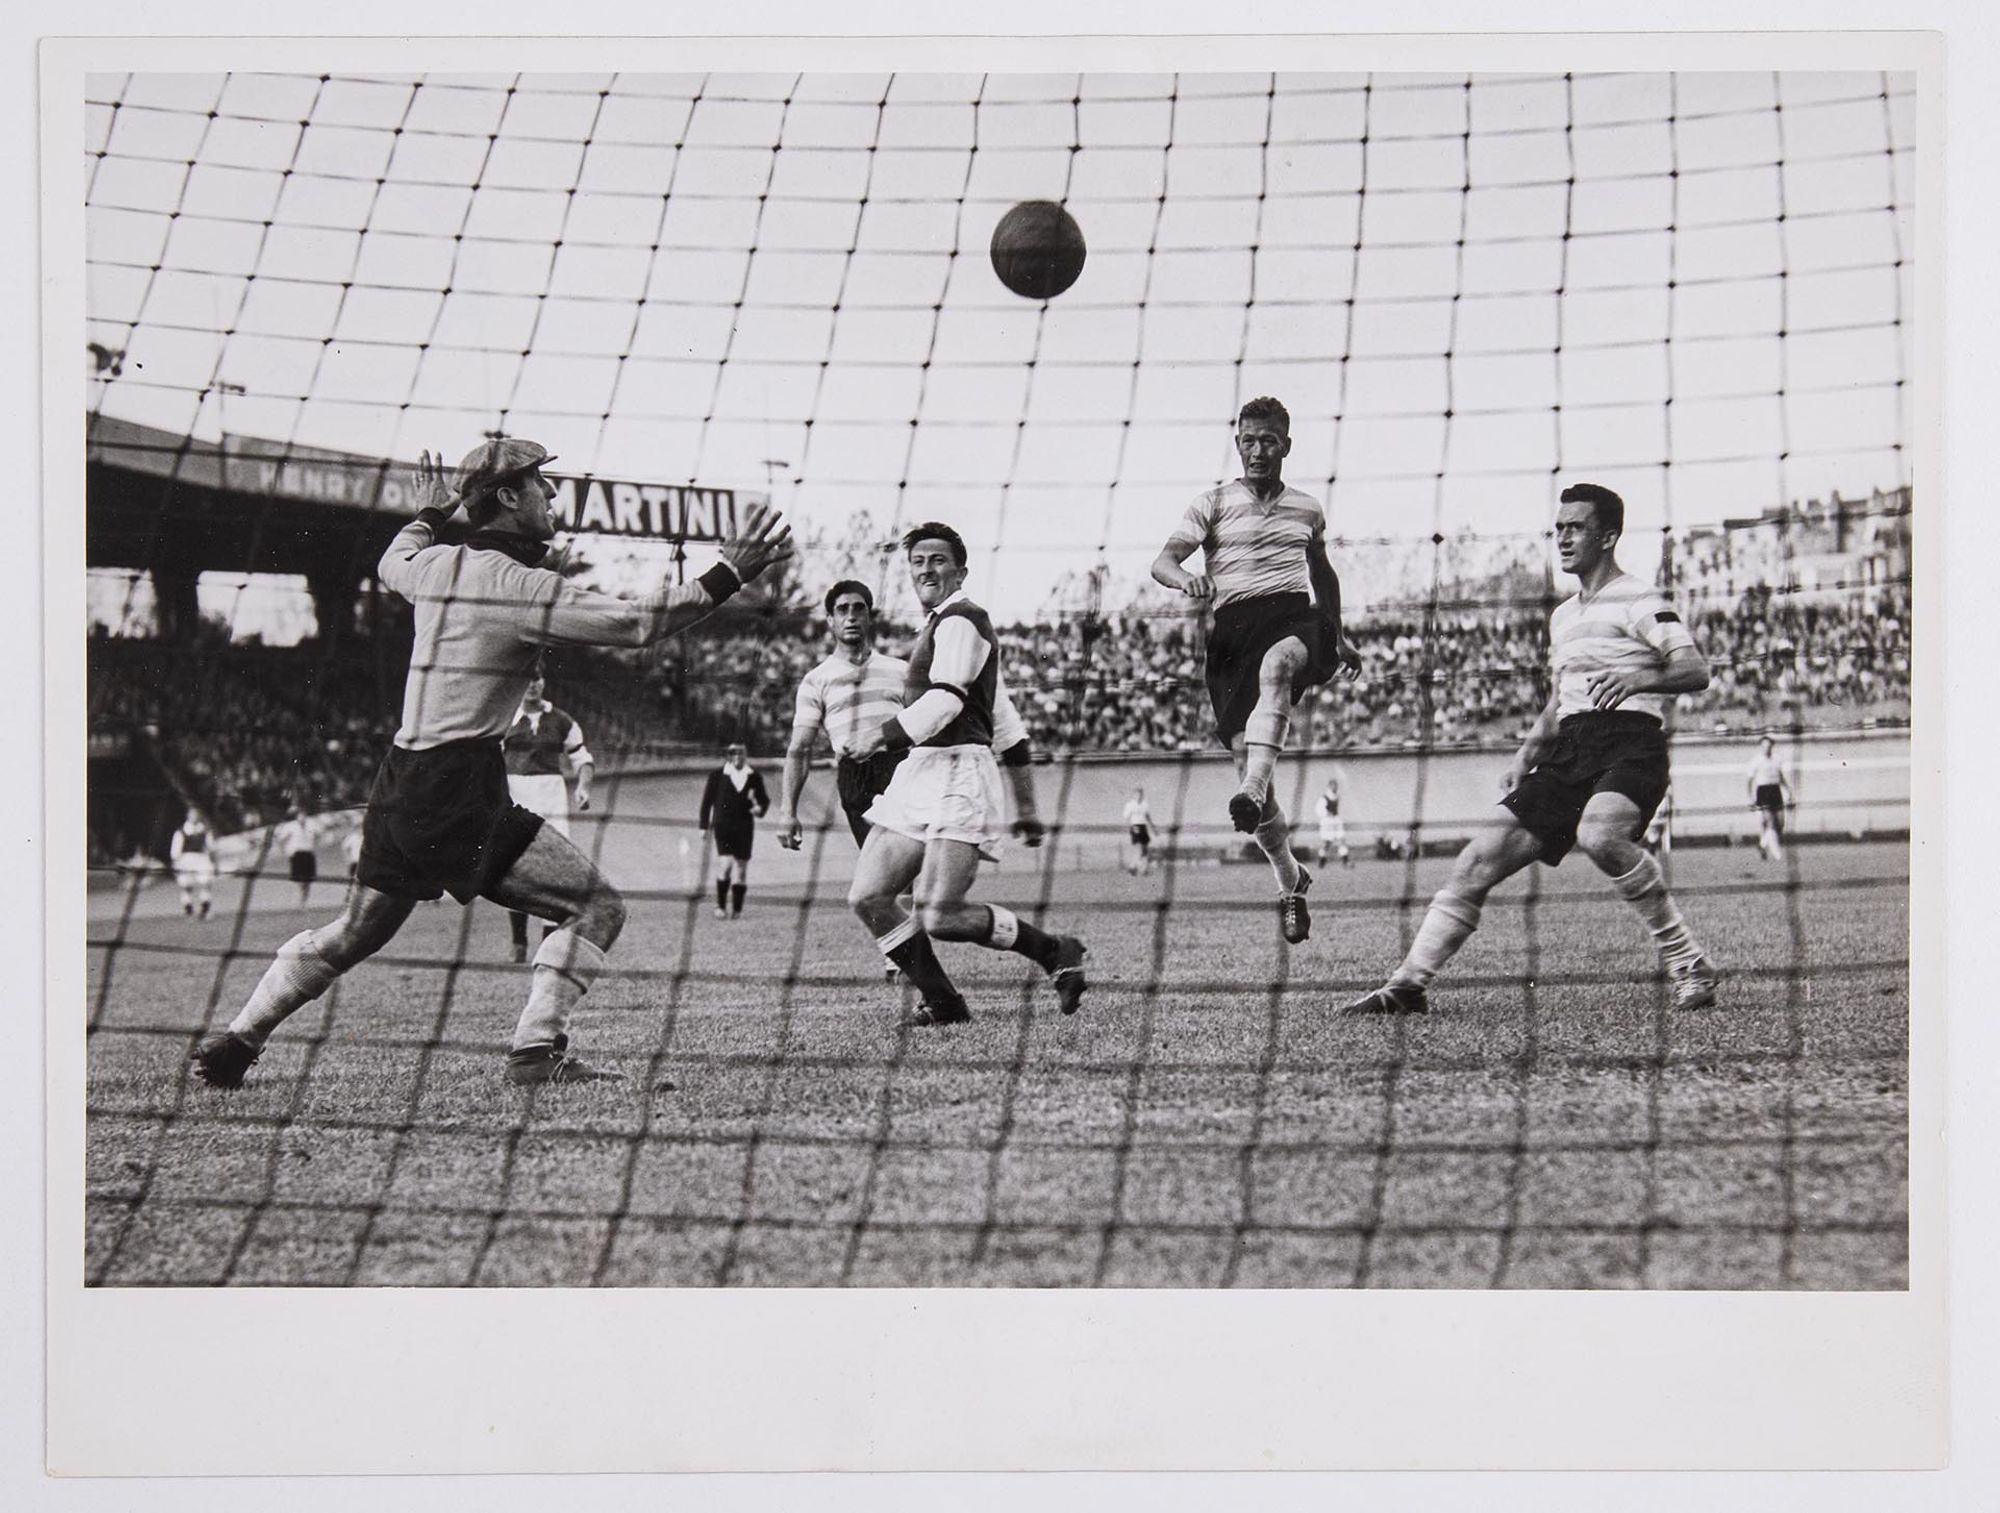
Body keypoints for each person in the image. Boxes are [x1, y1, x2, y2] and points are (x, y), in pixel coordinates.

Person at [189, 437, 791, 1089]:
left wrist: (428, 513)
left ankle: (238, 1040)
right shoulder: (518, 586)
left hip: (400, 781)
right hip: (456, 786)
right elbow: (637, 623)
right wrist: (731, 570)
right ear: (509, 496)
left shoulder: (435, 564)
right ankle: (535, 1051)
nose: (553, 495)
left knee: (353, 933)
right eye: (542, 484)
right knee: (596, 906)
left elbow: (394, 559)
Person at [1344, 482, 1721, 1015]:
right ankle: (1407, 984)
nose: (1563, 538)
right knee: (1478, 858)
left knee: (1600, 835)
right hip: (1571, 749)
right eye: (1559, 528)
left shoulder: (1640, 597)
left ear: (1608, 536)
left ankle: (1689, 963)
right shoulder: (1563, 616)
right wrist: (1524, 757)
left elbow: (1695, 668)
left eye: (1576, 528)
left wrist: (1636, 678)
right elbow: (1558, 700)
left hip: (1630, 746)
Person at [843, 522, 1088, 1026]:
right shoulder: (939, 629)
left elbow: (947, 699)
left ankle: (1053, 950)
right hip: (921, 773)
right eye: (918, 561)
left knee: (939, 915)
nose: (926, 569)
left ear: (961, 570)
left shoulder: (964, 620)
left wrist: (880, 735)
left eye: (937, 560)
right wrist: (1026, 809)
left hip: (959, 775)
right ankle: (945, 1003)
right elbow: (1010, 726)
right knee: (869, 897)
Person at [1150, 396, 1360, 945]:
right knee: (1254, 771)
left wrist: (1337, 634)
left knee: (1279, 667)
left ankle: (1249, 785)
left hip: (1291, 616)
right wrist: (1184, 580)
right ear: (1237, 443)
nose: (1258, 450)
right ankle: (1291, 882)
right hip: (1230, 633)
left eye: (1269, 440)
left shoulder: (1308, 508)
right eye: (1249, 440)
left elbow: (1324, 574)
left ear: (1286, 445)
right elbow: (1164, 560)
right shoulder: (1213, 503)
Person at [776, 580, 910, 851]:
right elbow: (800, 748)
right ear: (830, 619)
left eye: (859, 609)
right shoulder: (816, 680)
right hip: (857, 775)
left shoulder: (900, 671)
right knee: (885, 865)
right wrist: (787, 812)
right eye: (842, 610)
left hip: (903, 769)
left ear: (870, 617)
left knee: (909, 871)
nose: (851, 617)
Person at [503, 670, 595, 961]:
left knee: (554, 871)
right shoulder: (504, 719)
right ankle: (518, 942)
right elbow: (488, 760)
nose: (532, 685)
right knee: (516, 870)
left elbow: (583, 759)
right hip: (516, 795)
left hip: (551, 796)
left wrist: (583, 787)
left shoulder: (562, 720)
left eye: (537, 679)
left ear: (543, 683)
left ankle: (546, 946)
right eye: (526, 679)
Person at [699, 743, 769, 919]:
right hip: (723, 826)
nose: (737, 756)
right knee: (726, 865)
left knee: (741, 869)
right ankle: (721, 906)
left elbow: (764, 801)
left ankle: (737, 910)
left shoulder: (753, 777)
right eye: (733, 753)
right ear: (729, 755)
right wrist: (703, 826)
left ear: (745, 755)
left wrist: (759, 810)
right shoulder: (717, 776)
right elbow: (706, 803)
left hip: (744, 827)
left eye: (741, 753)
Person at [1747, 736, 1791, 861]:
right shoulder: (1756, 761)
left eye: (1769, 746)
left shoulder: (1777, 759)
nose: (1767, 748)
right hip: (1763, 791)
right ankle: (1777, 854)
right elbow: (1749, 781)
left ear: (1772, 746)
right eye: (1764, 746)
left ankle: (1762, 845)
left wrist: (1788, 791)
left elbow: (1781, 776)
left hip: (1776, 791)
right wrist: (1750, 798)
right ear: (1761, 747)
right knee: (1770, 823)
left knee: (1780, 824)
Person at [169, 806, 214, 919]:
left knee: (205, 883)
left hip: (201, 859)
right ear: (188, 816)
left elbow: (210, 848)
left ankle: (205, 909)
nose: (194, 817)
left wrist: (212, 860)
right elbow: (175, 850)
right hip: (185, 860)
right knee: (187, 885)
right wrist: (176, 862)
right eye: (192, 815)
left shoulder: (205, 830)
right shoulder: (180, 832)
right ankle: (188, 910)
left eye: (196, 815)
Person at [275, 805, 316, 907]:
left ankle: (304, 901)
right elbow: (281, 839)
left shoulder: (311, 824)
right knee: (300, 878)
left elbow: (317, 835)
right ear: (297, 816)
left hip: (308, 852)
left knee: (308, 879)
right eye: (300, 815)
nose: (302, 817)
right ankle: (299, 900)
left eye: (304, 815)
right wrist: (286, 850)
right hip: (297, 853)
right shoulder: (291, 826)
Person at [1314, 771, 1352, 869]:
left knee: (1341, 840)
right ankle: (1322, 860)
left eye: (1336, 786)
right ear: (1329, 786)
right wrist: (1326, 813)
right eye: (1333, 786)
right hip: (1327, 822)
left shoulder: (1337, 797)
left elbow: (1339, 809)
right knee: (1327, 843)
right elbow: (1318, 809)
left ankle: (1345, 861)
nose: (1335, 788)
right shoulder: (1324, 798)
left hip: (1336, 821)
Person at [1122, 786, 1156, 875]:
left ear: (1142, 795)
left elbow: (1147, 816)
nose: (1139, 796)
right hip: (1135, 827)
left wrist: (1153, 827)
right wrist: (1132, 827)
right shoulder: (1130, 805)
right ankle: (1132, 867)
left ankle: (1143, 869)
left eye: (1141, 794)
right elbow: (1126, 818)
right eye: (1137, 794)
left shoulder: (1145, 804)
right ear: (1134, 795)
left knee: (1145, 849)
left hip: (1143, 827)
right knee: (1138, 848)